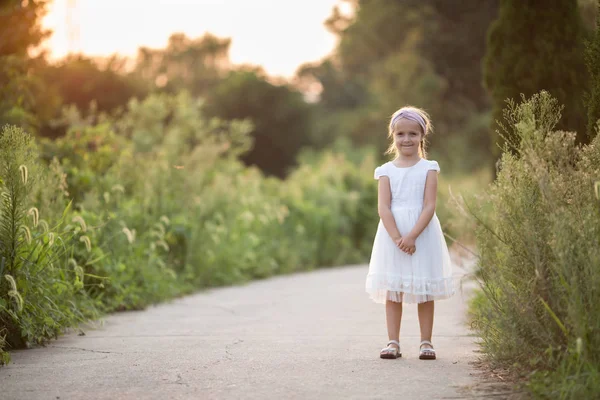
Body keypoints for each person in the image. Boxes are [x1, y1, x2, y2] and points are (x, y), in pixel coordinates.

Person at [365, 106, 454, 360]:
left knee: (424, 288)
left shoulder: (429, 168)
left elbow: (429, 205)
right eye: (401, 134)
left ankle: (426, 342)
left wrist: (412, 235)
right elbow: (383, 207)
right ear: (393, 135)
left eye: (413, 134)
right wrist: (397, 238)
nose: (407, 139)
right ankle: (393, 342)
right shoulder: (385, 171)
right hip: (392, 235)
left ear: (422, 136)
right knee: (394, 289)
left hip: (421, 233)